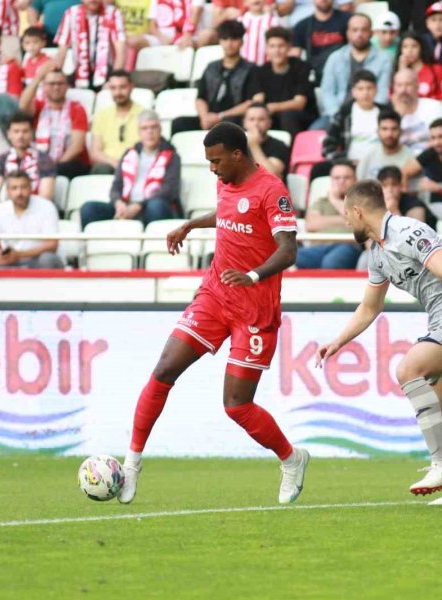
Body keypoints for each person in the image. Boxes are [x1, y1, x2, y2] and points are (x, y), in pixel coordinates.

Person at [117, 121, 308, 505]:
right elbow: (227, 214)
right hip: (215, 296)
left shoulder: (272, 191)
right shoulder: (226, 181)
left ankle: (291, 458)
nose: (212, 169)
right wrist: (190, 225)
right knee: (164, 368)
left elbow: (288, 249)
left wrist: (253, 275)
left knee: (237, 405)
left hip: (254, 310)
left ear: (238, 155)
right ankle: (131, 465)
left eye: (217, 161)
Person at [316, 179, 442, 505]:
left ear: (357, 210)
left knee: (408, 369)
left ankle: (441, 465)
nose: (345, 222)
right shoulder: (378, 254)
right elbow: (370, 307)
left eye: (346, 215)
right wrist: (338, 341)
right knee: (441, 412)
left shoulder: (409, 232)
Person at [80, 110, 181, 230]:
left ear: (160, 129)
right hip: (126, 206)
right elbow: (116, 187)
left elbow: (168, 191)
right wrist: (118, 203)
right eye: (145, 128)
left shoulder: (172, 156)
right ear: (139, 132)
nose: (150, 132)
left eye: (154, 127)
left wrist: (139, 205)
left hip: (150, 208)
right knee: (88, 209)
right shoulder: (129, 154)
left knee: (156, 206)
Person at [171, 20, 263, 136]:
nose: (229, 44)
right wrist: (204, 117)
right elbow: (200, 98)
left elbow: (253, 102)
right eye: (225, 39)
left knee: (230, 124)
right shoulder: (211, 67)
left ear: (241, 41)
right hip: (209, 117)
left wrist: (221, 116)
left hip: (235, 119)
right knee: (179, 123)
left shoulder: (251, 69)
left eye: (233, 39)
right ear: (220, 41)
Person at [0, 170, 64, 269]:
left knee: (48, 259)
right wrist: (0, 254)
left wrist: (19, 255)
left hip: (36, 259)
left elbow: (52, 245)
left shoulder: (46, 206)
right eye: (14, 188)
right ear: (8, 191)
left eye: (23, 187)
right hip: (9, 261)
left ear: (31, 188)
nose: (19, 192)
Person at [318, 13, 392, 125]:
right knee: (313, 134)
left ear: (371, 33)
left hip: (373, 115)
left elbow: (383, 93)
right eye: (355, 30)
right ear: (348, 33)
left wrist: (369, 113)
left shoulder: (383, 59)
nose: (359, 34)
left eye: (364, 30)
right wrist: (337, 115)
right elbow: (327, 92)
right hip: (338, 114)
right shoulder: (335, 58)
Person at [20, 66, 91, 179]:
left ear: (67, 86)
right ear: (44, 86)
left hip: (70, 163)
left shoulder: (76, 108)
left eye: (60, 83)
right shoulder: (38, 106)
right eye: (51, 84)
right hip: (41, 161)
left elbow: (77, 146)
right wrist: (37, 79)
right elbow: (22, 106)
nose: (56, 87)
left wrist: (54, 166)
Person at [317, 70, 387, 178]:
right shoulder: (344, 114)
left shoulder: (386, 113)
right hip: (350, 165)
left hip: (382, 164)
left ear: (376, 90)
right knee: (318, 170)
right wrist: (345, 162)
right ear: (353, 91)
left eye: (369, 88)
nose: (365, 93)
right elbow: (328, 146)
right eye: (361, 89)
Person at [296, 160, 361, 269]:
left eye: (346, 177)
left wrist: (334, 200)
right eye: (337, 178)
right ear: (331, 180)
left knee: (330, 263)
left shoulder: (361, 202)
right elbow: (311, 224)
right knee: (290, 257)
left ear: (355, 180)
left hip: (347, 246)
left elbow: (358, 222)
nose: (341, 181)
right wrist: (344, 220)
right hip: (318, 247)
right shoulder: (321, 202)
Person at [54, 0, 125, 91]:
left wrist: (114, 80)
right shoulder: (71, 13)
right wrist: (57, 78)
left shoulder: (113, 13)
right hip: (79, 71)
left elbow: (120, 52)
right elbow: (62, 51)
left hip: (107, 72)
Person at [258, 27, 316, 138]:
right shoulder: (261, 71)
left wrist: (273, 107)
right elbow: (258, 99)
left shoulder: (302, 67)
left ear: (289, 47)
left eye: (281, 46)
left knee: (288, 115)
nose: (276, 51)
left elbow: (299, 104)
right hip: (272, 116)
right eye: (272, 46)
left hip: (301, 116)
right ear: (266, 49)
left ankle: (293, 153)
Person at [0, 113, 56, 207]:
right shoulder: (2, 159)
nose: (20, 136)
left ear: (32, 133)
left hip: (37, 211)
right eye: (16, 131)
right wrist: (2, 212)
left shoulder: (43, 158)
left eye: (25, 131)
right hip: (10, 211)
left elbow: (46, 195)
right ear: (9, 134)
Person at [89, 70, 147, 174]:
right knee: (101, 169)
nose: (118, 93)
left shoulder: (144, 114)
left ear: (131, 87)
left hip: (135, 165)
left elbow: (148, 149)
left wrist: (127, 163)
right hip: (108, 165)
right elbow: (95, 152)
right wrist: (115, 162)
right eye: (113, 88)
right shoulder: (102, 115)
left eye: (122, 87)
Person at [290, 0, 351, 83]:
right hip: (316, 75)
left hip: (345, 73)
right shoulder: (302, 26)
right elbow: (295, 56)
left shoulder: (348, 20)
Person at [391, 68, 442, 154]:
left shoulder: (434, 107)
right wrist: (398, 116)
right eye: (399, 85)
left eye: (408, 84)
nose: (403, 90)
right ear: (394, 88)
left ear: (417, 86)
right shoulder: (388, 114)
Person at [356, 110, 417, 181]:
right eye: (384, 129)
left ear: (400, 131)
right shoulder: (368, 155)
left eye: (394, 129)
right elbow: (359, 184)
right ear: (377, 131)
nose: (389, 134)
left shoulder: (411, 157)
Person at [395, 32, 442, 102]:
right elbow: (397, 100)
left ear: (421, 48)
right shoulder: (396, 71)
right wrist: (402, 70)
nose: (409, 50)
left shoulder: (436, 70)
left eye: (414, 46)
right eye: (405, 47)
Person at [126, 0, 199, 52]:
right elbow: (152, 26)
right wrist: (162, 38)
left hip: (183, 35)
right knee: (133, 41)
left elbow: (194, 15)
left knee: (189, 45)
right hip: (161, 37)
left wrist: (187, 35)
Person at [243, 103, 290, 180]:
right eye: (251, 119)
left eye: (261, 119)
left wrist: (254, 146)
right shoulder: (237, 145)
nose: (256, 124)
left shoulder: (279, 146)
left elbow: (272, 177)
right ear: (244, 123)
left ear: (269, 123)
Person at [239, 0, 279, 66]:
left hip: (266, 66)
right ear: (244, 2)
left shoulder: (273, 21)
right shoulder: (240, 21)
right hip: (244, 68)